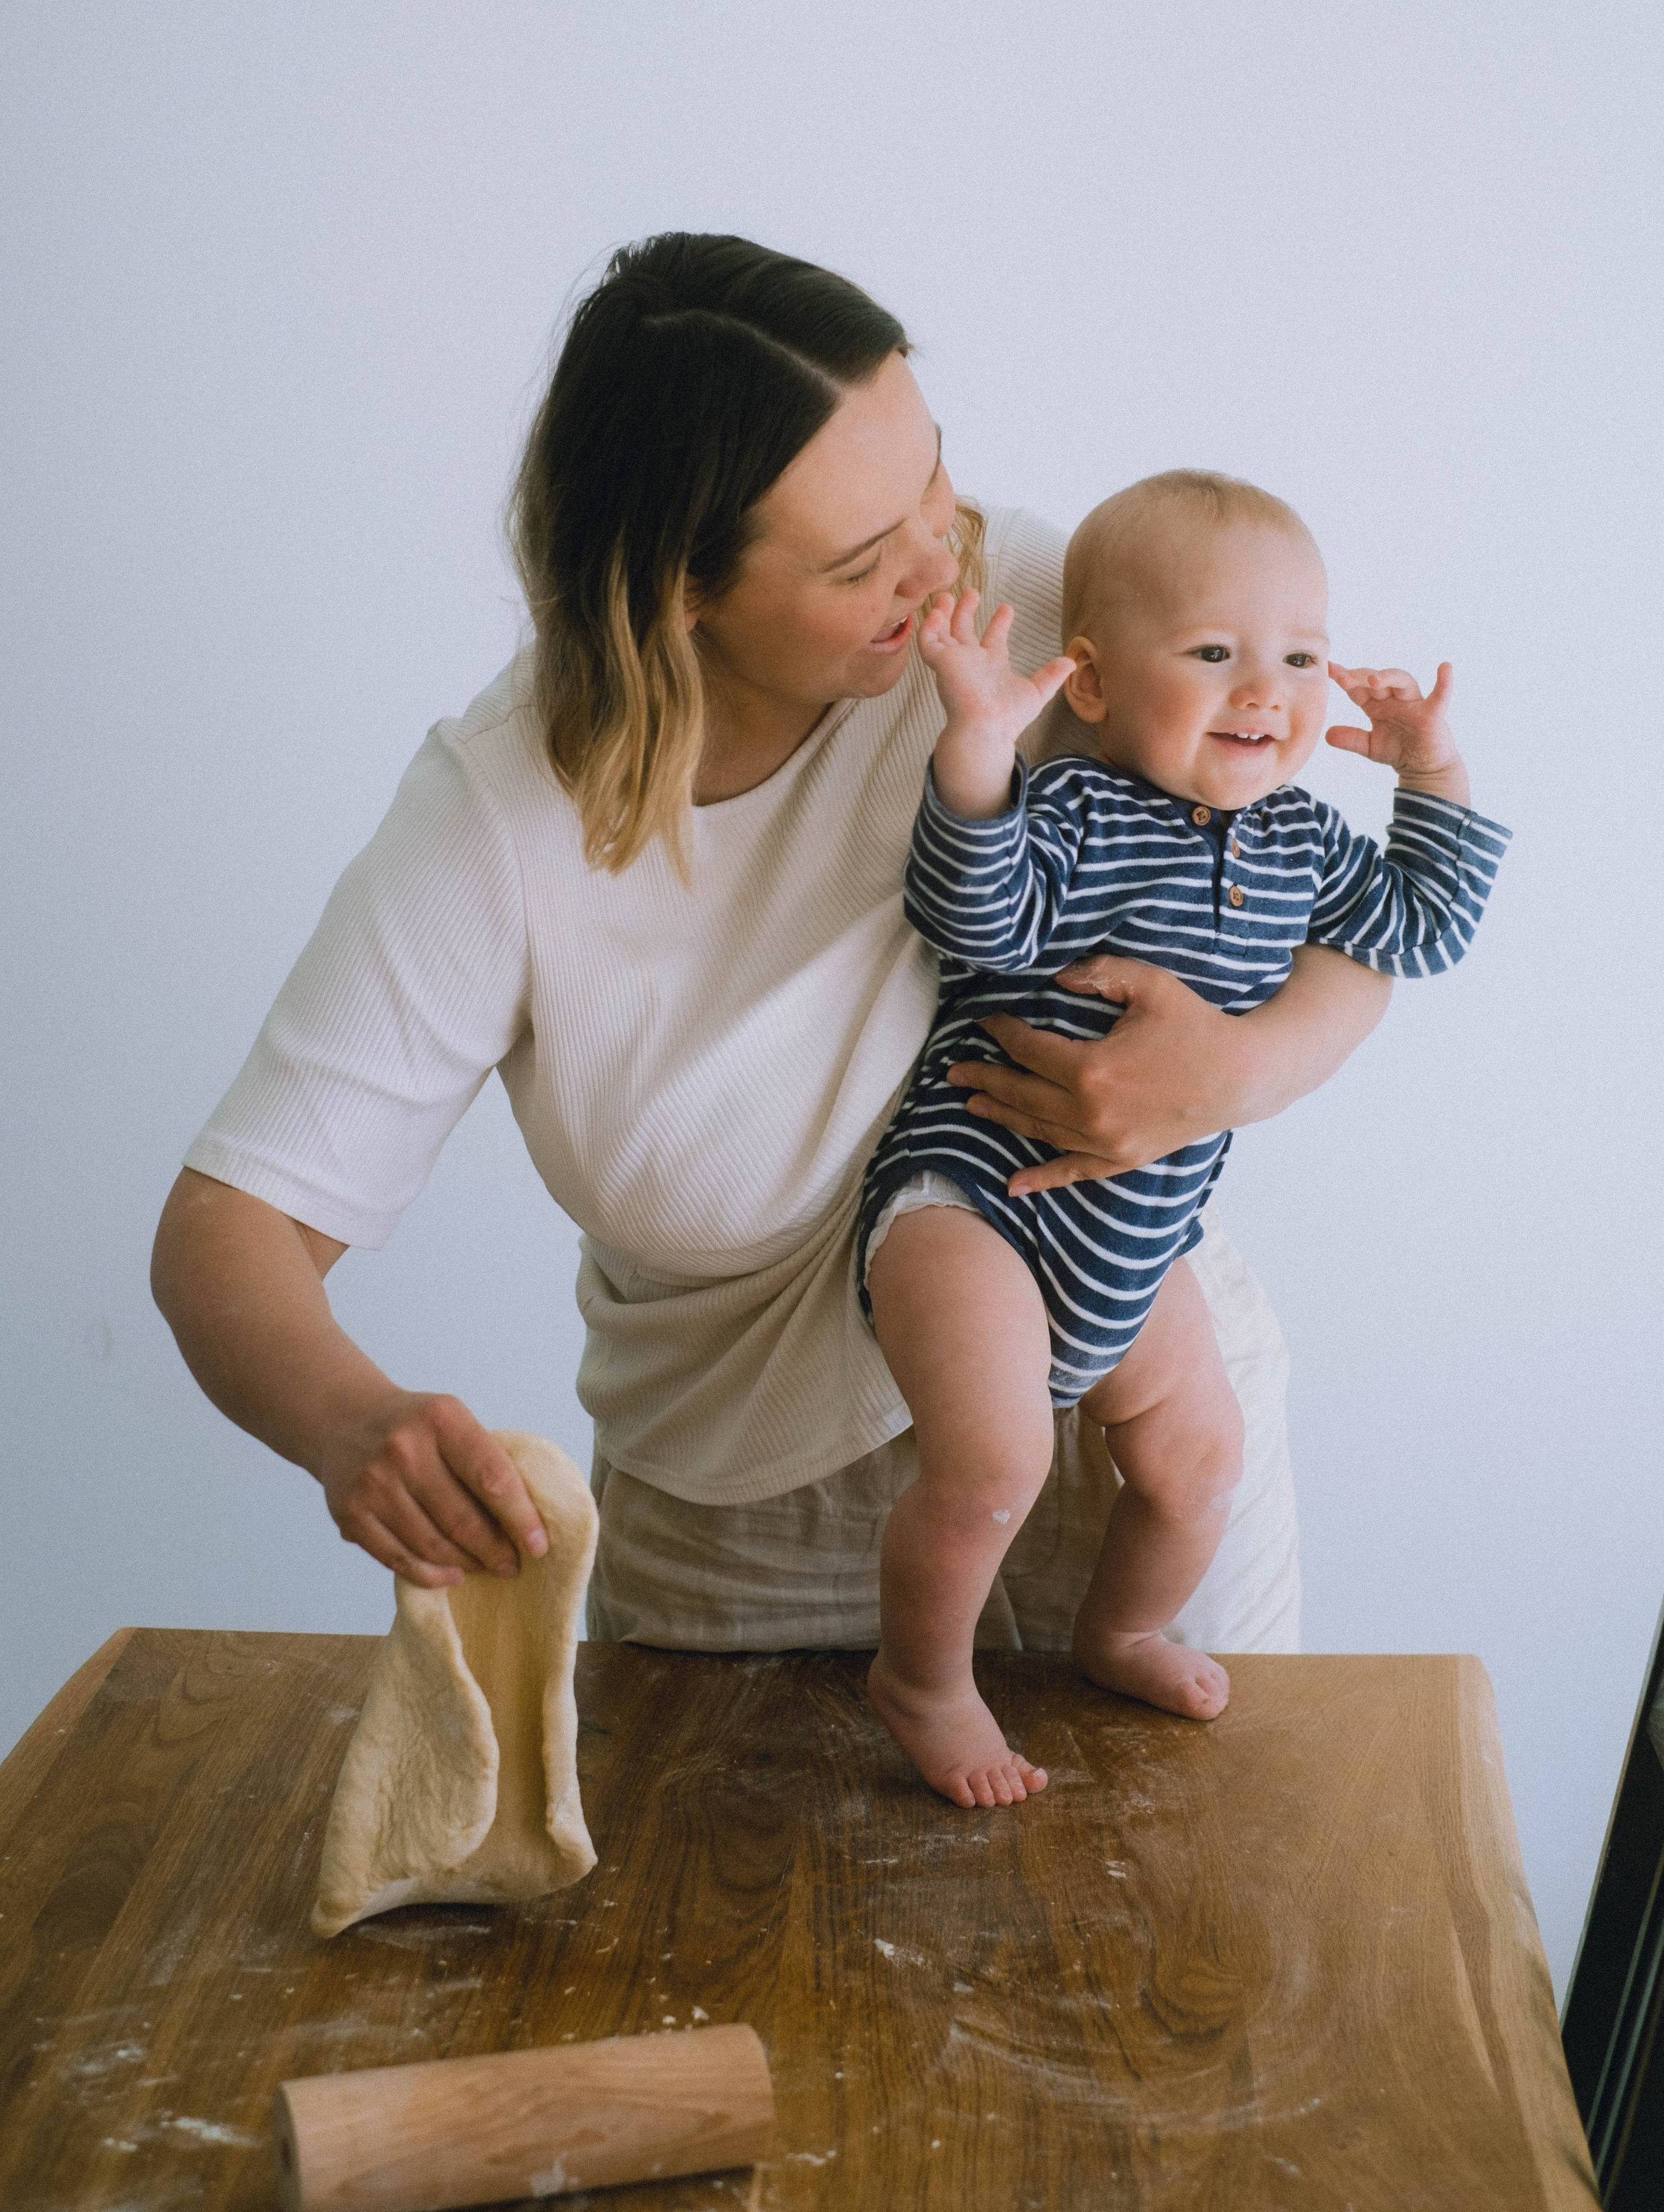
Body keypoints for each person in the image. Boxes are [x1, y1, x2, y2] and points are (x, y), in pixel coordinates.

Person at [150, 235, 1392, 1689]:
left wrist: (1241, 1068)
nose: (943, 571)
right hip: (741, 1510)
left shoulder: (1034, 604)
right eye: (865, 561)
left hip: (1121, 1412)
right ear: (681, 589)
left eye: (932, 481)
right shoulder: (501, 821)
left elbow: (1330, 888)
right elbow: (228, 1230)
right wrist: (348, 1420)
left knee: (1206, 1904)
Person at [855, 471, 1511, 1806]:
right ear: (1088, 683)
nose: (1263, 691)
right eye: (1212, 655)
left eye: (1299, 658)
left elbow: (1424, 929)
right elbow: (972, 918)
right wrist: (976, 747)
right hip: (975, 1191)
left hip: (1139, 1232)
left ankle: (1121, 1629)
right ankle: (921, 1679)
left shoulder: (1305, 848)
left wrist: (1431, 769)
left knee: (1196, 1456)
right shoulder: (1078, 809)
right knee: (994, 1465)